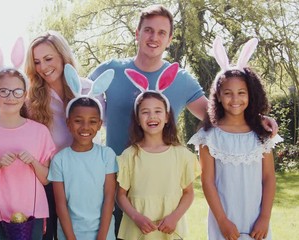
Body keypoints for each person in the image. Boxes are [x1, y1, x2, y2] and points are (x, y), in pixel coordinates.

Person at [88, 4, 278, 236]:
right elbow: (82, 113)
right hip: (114, 183)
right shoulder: (109, 71)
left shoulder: (180, 79)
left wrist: (257, 118)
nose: (153, 37)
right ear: (137, 33)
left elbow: (219, 115)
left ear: (169, 39)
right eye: (148, 30)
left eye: (161, 33)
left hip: (161, 194)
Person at [188, 37, 282, 240]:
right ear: (218, 96)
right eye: (228, 93)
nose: (235, 99)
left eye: (241, 92)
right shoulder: (208, 137)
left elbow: (268, 178)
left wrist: (265, 217)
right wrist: (222, 220)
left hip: (257, 220)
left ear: (250, 95)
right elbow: (208, 182)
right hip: (224, 221)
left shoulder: (261, 134)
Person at [0, 38, 57, 239]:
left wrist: (33, 162)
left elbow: (46, 178)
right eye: (4, 91)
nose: (10, 96)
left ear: (25, 94)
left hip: (33, 212)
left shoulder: (39, 132)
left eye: (17, 91)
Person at [25, 30, 102, 240]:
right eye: (37, 62)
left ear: (63, 56)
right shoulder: (32, 100)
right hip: (50, 183)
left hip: (88, 182)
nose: (43, 67)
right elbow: (4, 125)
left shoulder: (90, 90)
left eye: (48, 59)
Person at [116, 63, 200, 240]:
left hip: (170, 229)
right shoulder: (129, 155)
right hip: (137, 231)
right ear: (138, 119)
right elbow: (121, 195)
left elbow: (188, 193)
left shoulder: (182, 155)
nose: (152, 116)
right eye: (145, 112)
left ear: (167, 116)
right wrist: (136, 217)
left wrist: (174, 217)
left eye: (158, 111)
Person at [48, 64, 117, 239]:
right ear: (68, 122)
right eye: (78, 121)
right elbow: (61, 205)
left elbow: (109, 198)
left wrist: (102, 236)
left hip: (103, 233)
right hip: (70, 234)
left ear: (100, 124)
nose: (85, 127)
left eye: (92, 121)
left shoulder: (107, 155)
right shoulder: (60, 160)